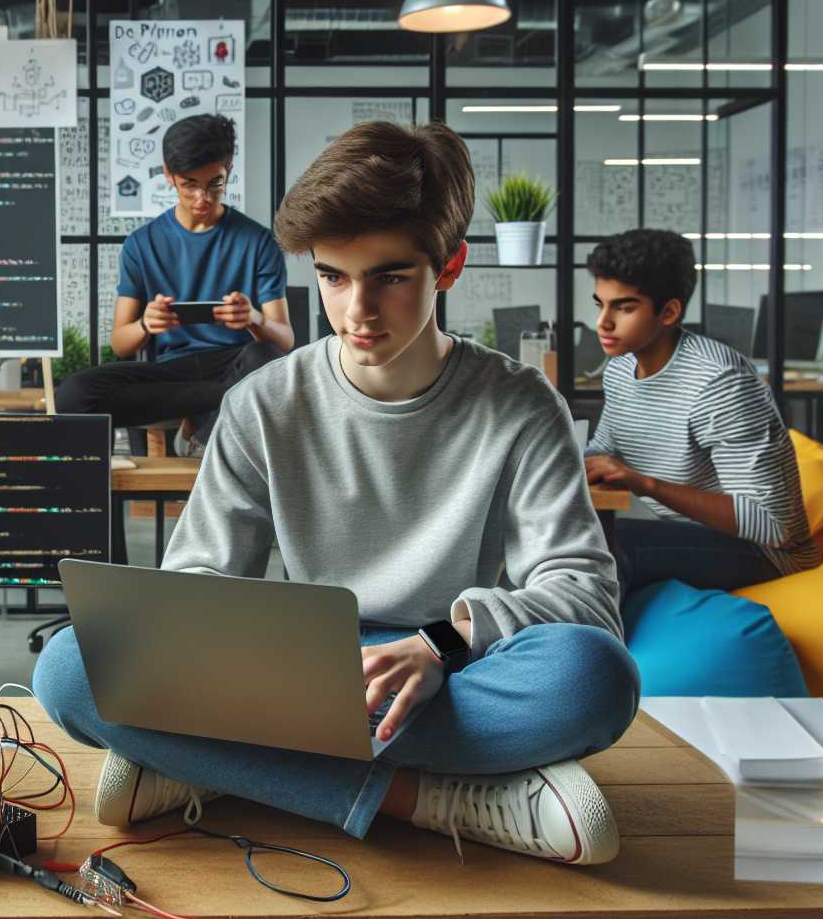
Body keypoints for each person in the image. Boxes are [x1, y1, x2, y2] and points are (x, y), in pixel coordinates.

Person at [33, 122, 638, 866]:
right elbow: (198, 582)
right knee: (70, 666)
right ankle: (431, 800)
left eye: (389, 277)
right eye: (332, 277)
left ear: (448, 268)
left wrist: (441, 644)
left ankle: (216, 768)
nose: (356, 310)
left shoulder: (520, 403)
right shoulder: (262, 403)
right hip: (304, 666)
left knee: (593, 678)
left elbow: (584, 596)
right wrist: (262, 658)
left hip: (451, 665)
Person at [584, 228, 820, 597]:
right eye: (601, 304)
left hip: (765, 555)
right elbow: (605, 448)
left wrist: (642, 483)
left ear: (669, 312)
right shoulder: (619, 368)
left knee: (605, 546)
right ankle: (480, 638)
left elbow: (773, 527)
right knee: (559, 534)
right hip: (681, 532)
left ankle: (592, 653)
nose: (603, 323)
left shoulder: (719, 381)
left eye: (624, 307)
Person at [55, 114, 294, 453]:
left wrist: (254, 319)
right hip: (171, 375)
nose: (203, 197)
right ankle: (209, 411)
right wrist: (145, 324)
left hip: (236, 361)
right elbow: (121, 344)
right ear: (169, 175)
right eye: (190, 185)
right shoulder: (141, 244)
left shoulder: (258, 241)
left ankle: (207, 425)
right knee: (73, 394)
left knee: (265, 358)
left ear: (228, 169)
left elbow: (285, 340)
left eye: (215, 183)